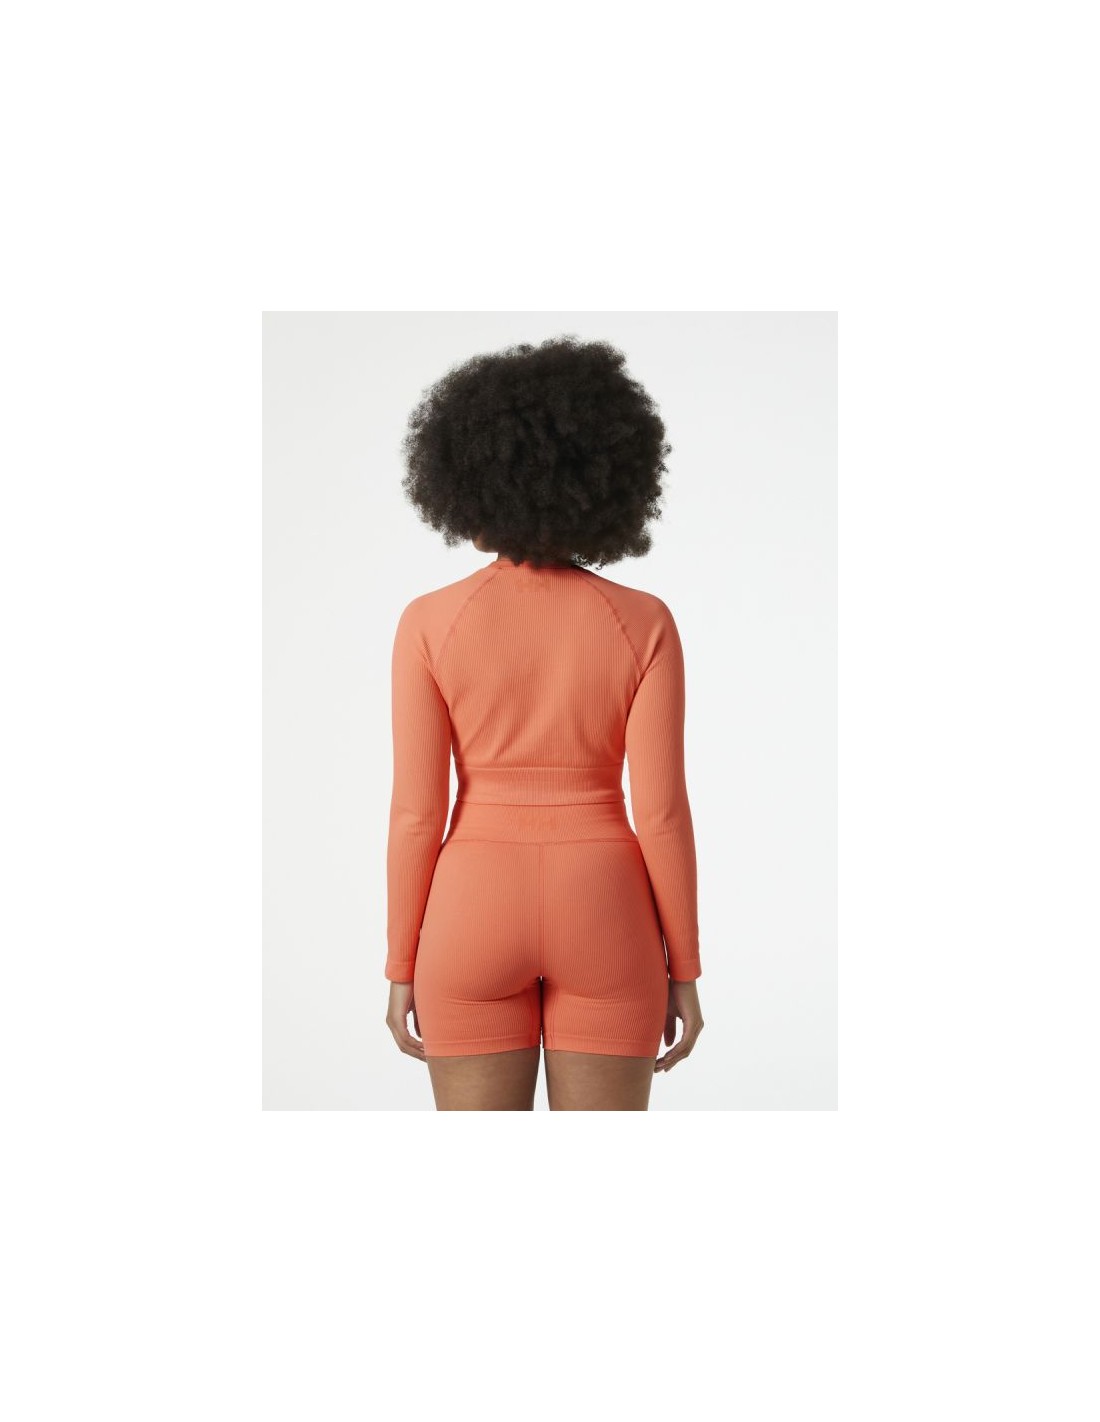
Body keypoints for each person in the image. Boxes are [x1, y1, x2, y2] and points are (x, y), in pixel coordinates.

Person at [384, 335, 704, 1110]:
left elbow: (417, 814)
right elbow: (661, 814)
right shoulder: (644, 622)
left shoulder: (428, 622)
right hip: (606, 908)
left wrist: (399, 965)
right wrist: (686, 969)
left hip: (471, 908)